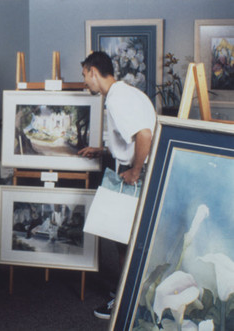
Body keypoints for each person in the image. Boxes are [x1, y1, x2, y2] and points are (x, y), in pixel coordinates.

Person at [77, 51, 156, 320]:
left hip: (132, 174)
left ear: (92, 71)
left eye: (85, 77)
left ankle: (123, 301)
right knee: (126, 240)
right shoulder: (128, 93)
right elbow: (134, 137)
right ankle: (127, 293)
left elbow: (143, 135)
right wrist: (103, 150)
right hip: (135, 169)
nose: (86, 83)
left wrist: (134, 169)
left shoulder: (118, 99)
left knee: (123, 241)